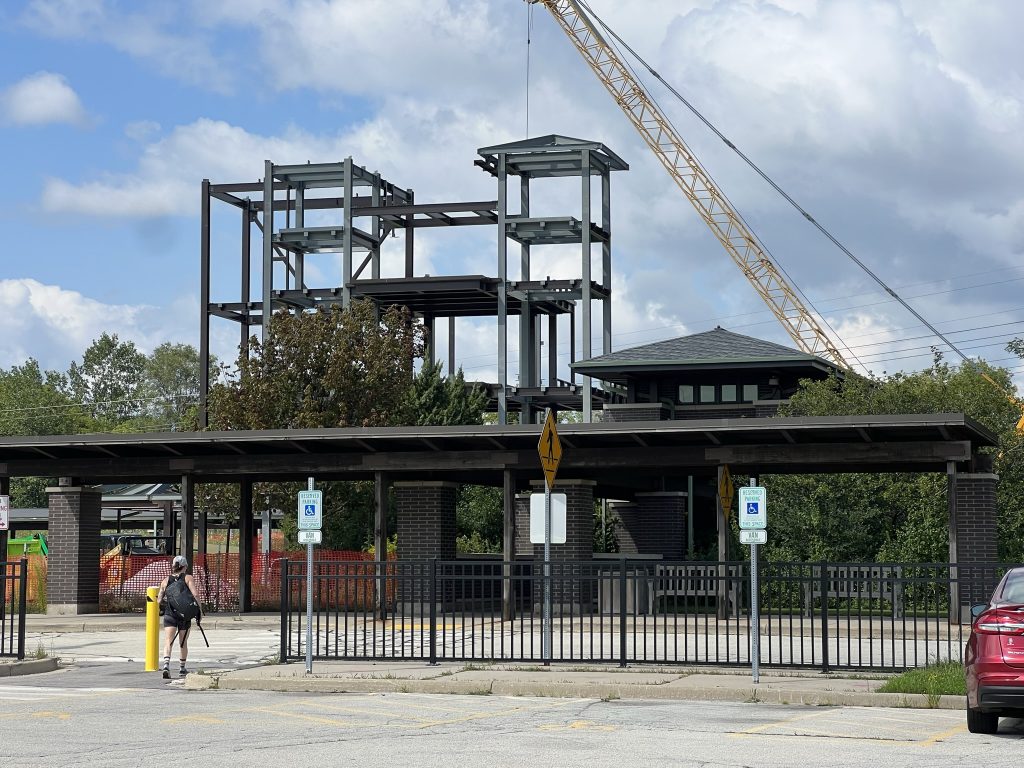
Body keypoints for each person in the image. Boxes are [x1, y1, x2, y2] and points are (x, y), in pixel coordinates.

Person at [156, 555, 201, 679]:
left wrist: (161, 604)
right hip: (184, 615)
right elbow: (195, 594)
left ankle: (166, 665)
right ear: (185, 566)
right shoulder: (188, 578)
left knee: (168, 641)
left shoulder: (165, 580)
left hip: (170, 614)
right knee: (183, 642)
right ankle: (182, 668)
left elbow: (159, 599)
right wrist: (200, 611)